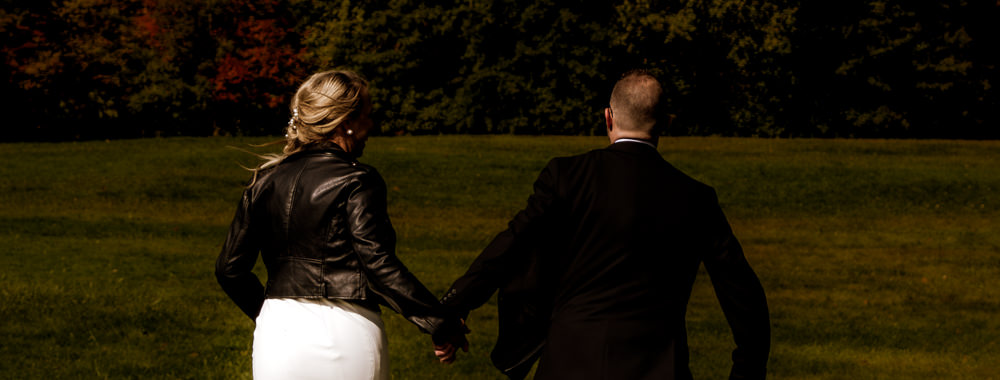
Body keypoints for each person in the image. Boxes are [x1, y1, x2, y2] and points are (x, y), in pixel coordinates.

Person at [437, 70, 770, 380]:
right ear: (664, 123)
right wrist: (746, 371)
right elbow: (743, 294)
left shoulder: (567, 177)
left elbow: (512, 245)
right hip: (660, 368)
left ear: (608, 117)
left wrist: (453, 308)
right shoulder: (696, 197)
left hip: (570, 363)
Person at [216, 68, 467, 380]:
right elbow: (377, 264)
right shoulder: (357, 180)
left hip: (276, 335)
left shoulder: (263, 183)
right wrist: (440, 322)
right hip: (344, 331)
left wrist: (271, 314)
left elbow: (229, 269)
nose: (371, 126)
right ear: (345, 123)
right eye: (367, 115)